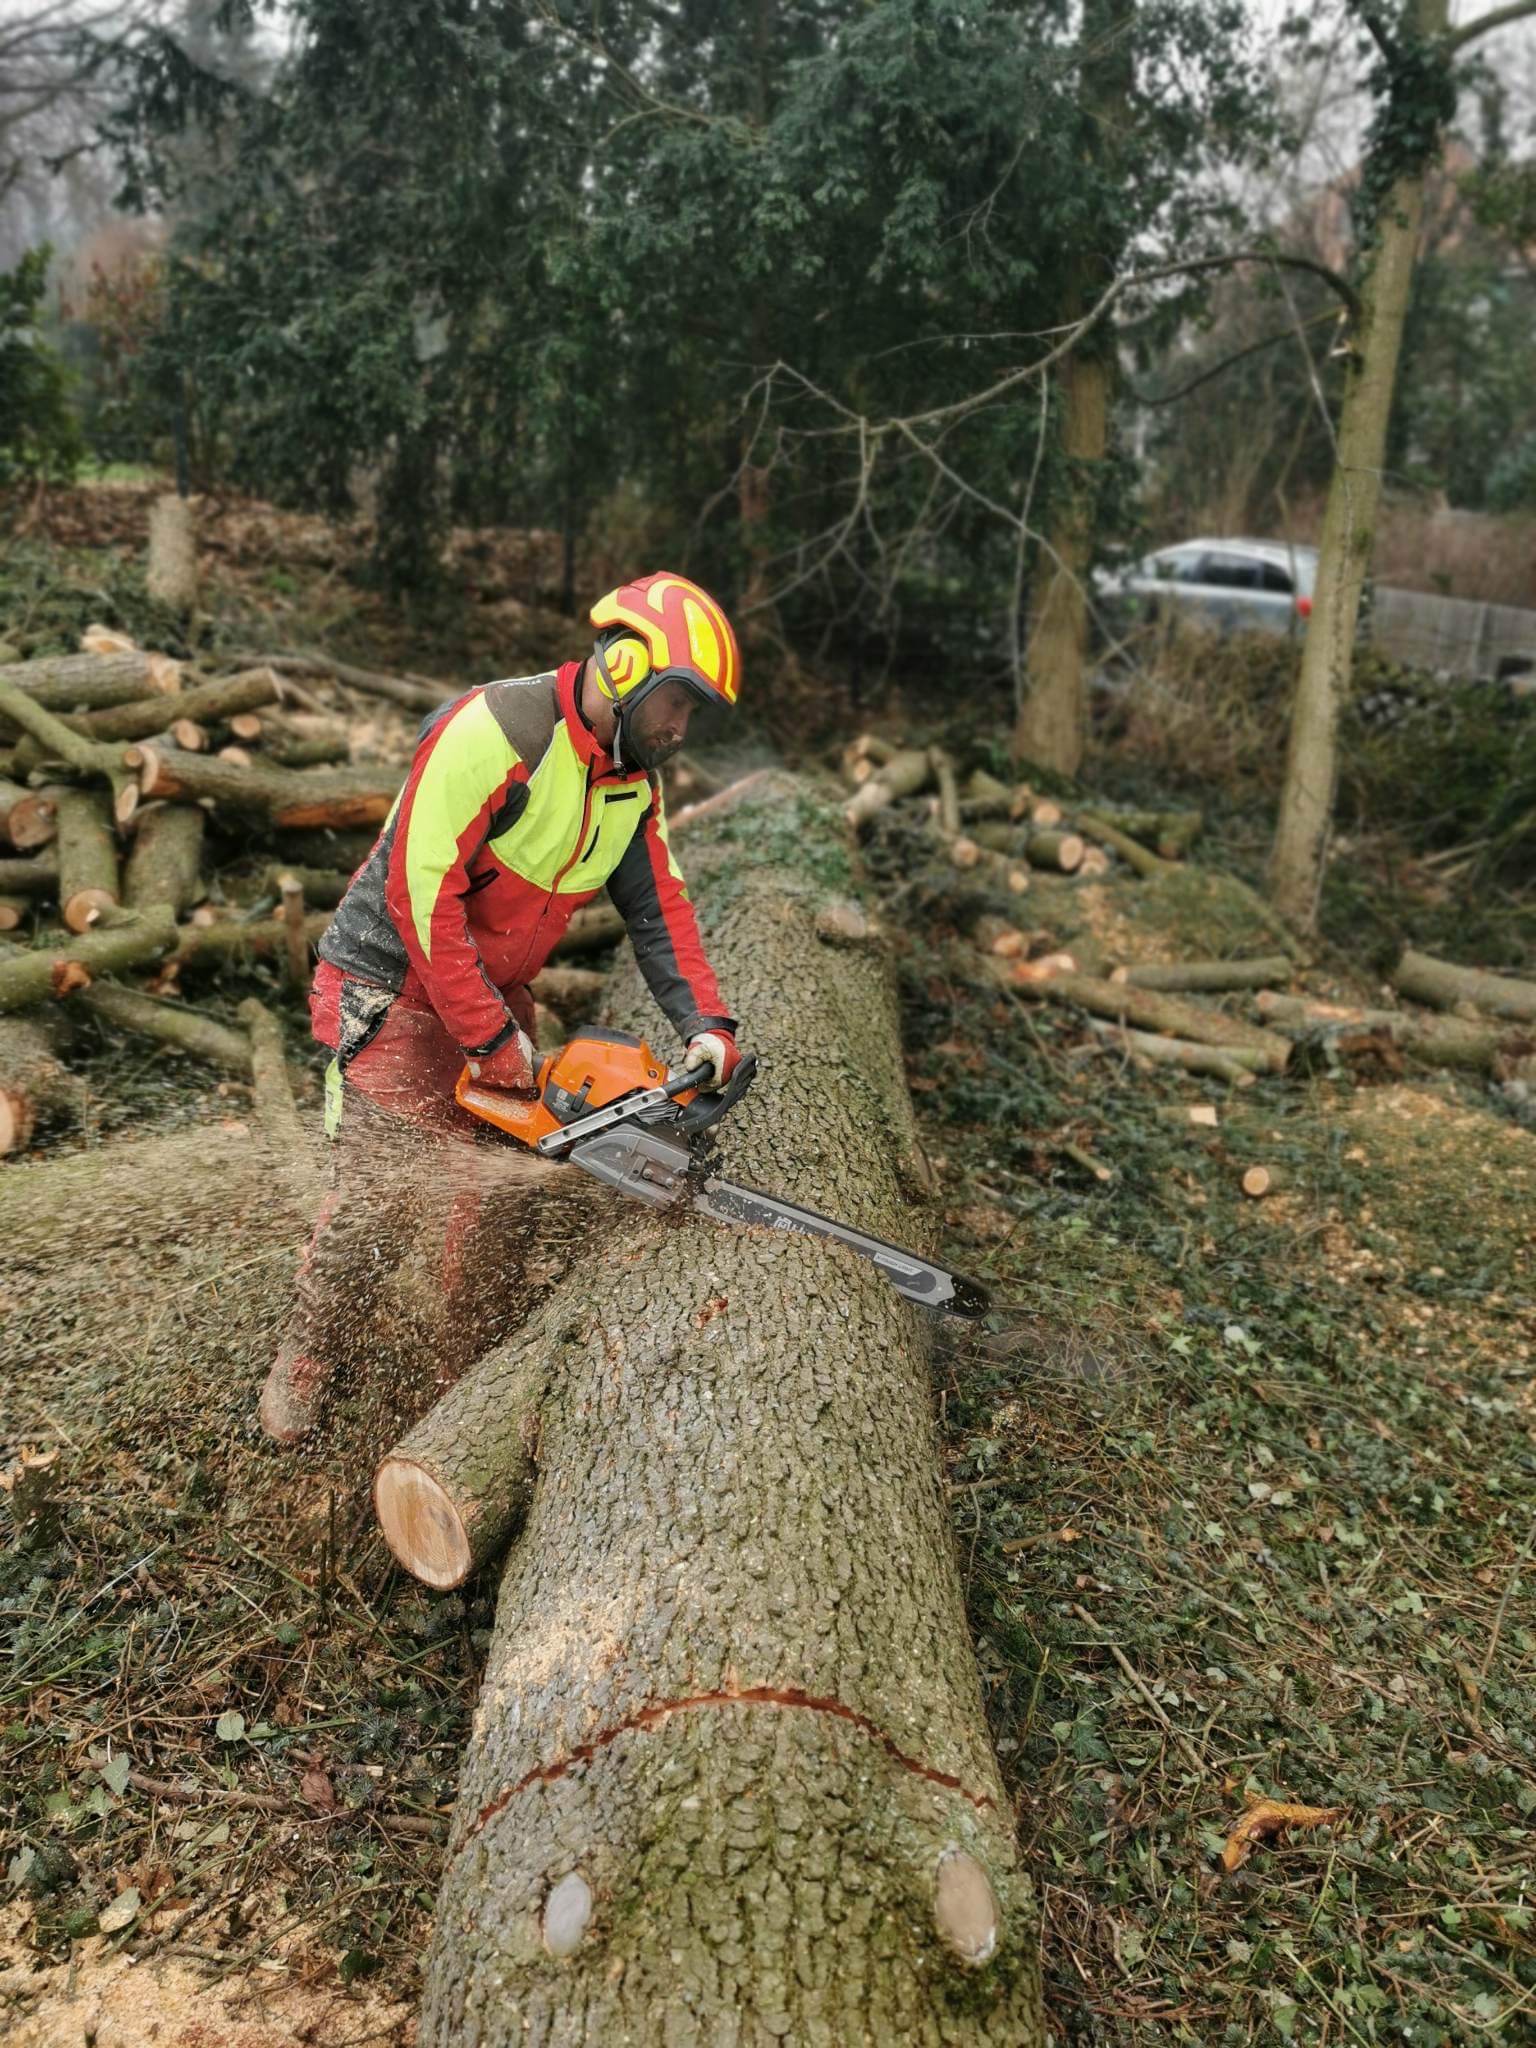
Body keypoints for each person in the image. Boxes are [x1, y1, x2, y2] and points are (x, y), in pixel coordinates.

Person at [260, 571, 746, 1443]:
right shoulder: (497, 731)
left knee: (497, 1205)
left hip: (491, 994)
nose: (679, 728)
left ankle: (468, 1378)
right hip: (392, 978)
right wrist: (487, 1035)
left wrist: (705, 1025)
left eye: (691, 713)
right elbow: (420, 892)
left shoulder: (632, 780)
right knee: (384, 1196)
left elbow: (660, 907)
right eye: (678, 703)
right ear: (627, 666)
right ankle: (309, 1352)